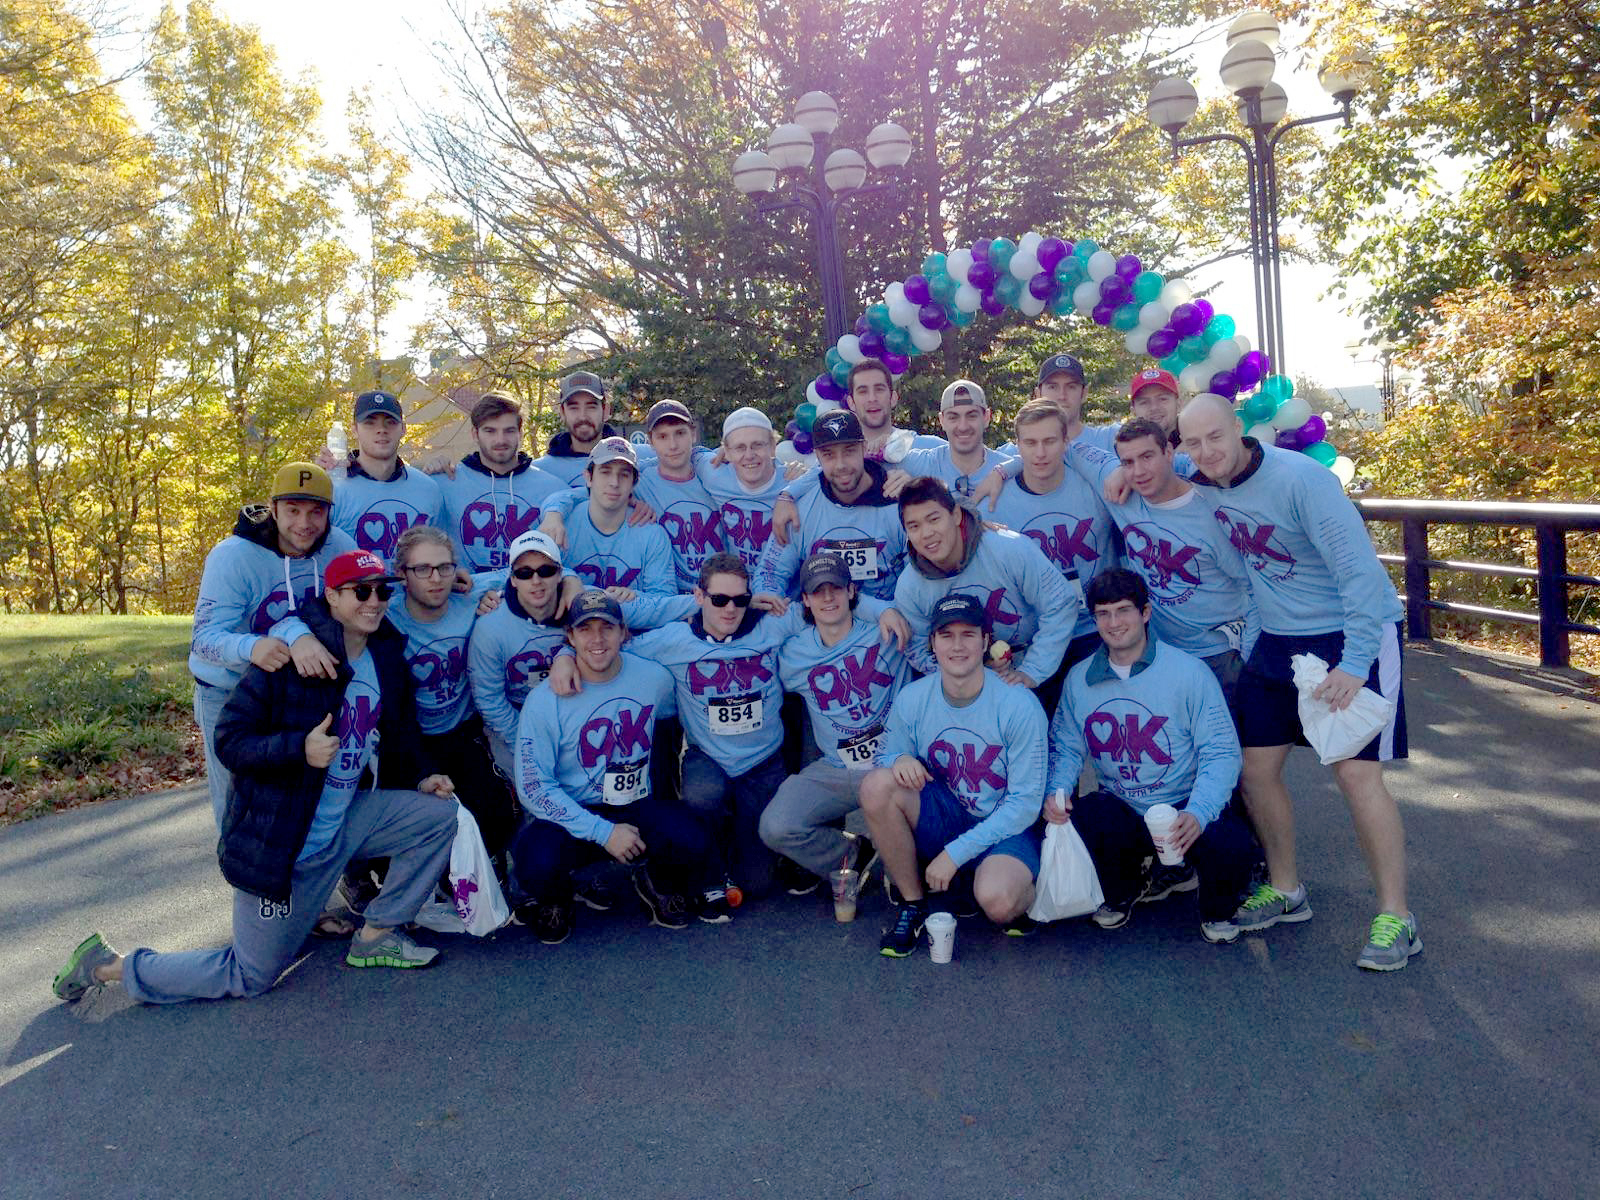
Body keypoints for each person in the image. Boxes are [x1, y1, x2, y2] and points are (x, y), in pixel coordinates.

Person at [52, 551, 459, 1007]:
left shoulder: (384, 652)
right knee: (250, 975)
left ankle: (378, 933)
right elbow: (230, 740)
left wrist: (424, 776)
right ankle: (109, 965)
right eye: (360, 591)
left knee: (437, 815)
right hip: (283, 844)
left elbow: (402, 726)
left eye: (382, 591)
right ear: (331, 595)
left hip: (343, 823)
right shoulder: (289, 661)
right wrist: (298, 750)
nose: (374, 601)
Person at [1178, 392, 1418, 971]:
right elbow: (1133, 464)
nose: (1207, 451)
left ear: (1240, 428)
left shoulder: (1302, 480)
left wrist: (1357, 663)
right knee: (1256, 771)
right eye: (1193, 442)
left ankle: (1397, 917)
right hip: (1276, 642)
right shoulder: (1202, 478)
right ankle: (1286, 889)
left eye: (1216, 436)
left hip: (1348, 634)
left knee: (1355, 774)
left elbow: (1359, 573)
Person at [1044, 569, 1254, 941]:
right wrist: (1058, 790)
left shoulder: (1188, 672)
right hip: (1124, 806)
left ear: (1145, 612)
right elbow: (1066, 745)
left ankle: (1215, 907)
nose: (1113, 623)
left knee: (1231, 840)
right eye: (1103, 613)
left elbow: (1221, 751)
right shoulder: (1079, 679)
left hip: (1183, 805)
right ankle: (1127, 885)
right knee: (1087, 815)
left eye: (1123, 610)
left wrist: (1199, 812)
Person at [511, 589, 715, 943]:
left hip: (634, 803)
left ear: (624, 632)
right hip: (574, 812)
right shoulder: (544, 701)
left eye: (606, 627)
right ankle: (557, 898)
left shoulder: (654, 678)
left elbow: (672, 719)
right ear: (570, 637)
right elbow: (533, 787)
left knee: (692, 839)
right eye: (585, 629)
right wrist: (603, 832)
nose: (597, 639)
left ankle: (654, 879)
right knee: (535, 860)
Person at [860, 593, 1048, 956]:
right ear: (932, 643)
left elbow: (1025, 804)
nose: (957, 645)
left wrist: (955, 854)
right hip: (948, 814)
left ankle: (1010, 881)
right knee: (877, 786)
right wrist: (899, 759)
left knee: (999, 903)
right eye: (946, 635)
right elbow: (886, 754)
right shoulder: (913, 697)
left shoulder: (1019, 705)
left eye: (968, 634)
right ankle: (913, 903)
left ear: (986, 641)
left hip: (1003, 826)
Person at [190, 462, 358, 827]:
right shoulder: (232, 556)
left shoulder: (339, 547)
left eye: (316, 512)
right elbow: (203, 640)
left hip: (299, 691)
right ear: (274, 508)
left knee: (295, 802)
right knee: (238, 806)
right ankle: (242, 883)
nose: (305, 523)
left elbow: (364, 603)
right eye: (293, 510)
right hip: (229, 691)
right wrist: (252, 647)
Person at [1065, 418, 1258, 701]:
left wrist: (1250, 662)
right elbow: (1063, 447)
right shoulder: (1122, 492)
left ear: (1169, 453)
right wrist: (1003, 469)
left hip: (1218, 656)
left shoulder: (1213, 514)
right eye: (1128, 462)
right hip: (1158, 653)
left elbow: (1255, 589)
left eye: (1147, 457)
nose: (1139, 471)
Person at [760, 553, 911, 894]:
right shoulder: (793, 654)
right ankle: (855, 853)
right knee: (776, 825)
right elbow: (750, 639)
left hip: (897, 763)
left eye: (836, 589)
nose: (827, 598)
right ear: (805, 600)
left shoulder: (886, 630)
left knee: (911, 873)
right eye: (817, 591)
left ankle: (906, 865)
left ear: (851, 591)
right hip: (838, 767)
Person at [893, 476, 1078, 712]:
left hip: (1037, 669)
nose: (926, 533)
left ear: (957, 515)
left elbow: (1060, 603)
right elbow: (918, 649)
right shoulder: (909, 587)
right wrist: (965, 680)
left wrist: (1032, 671)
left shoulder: (1009, 549)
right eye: (914, 526)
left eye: (934, 519)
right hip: (967, 691)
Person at [388, 526, 518, 859]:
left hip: (461, 731)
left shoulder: (470, 596)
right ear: (402, 573)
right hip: (408, 740)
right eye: (423, 569)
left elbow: (529, 571)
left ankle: (481, 880)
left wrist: (572, 584)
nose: (436, 579)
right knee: (418, 823)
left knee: (497, 810)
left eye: (444, 567)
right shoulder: (385, 615)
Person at [986, 400, 1123, 679]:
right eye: (1030, 442)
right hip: (1038, 638)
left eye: (1049, 441)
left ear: (1066, 441)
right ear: (1017, 446)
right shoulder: (995, 503)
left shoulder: (1094, 486)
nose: (1040, 453)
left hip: (1098, 631)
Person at [754, 409, 908, 603]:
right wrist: (769, 598)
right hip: (820, 624)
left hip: (888, 622)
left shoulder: (897, 499)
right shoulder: (798, 508)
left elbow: (921, 576)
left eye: (849, 451)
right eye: (829, 455)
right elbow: (771, 571)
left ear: (863, 448)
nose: (840, 465)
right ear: (817, 456)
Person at [468, 530, 575, 776]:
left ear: (560, 574)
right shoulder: (489, 628)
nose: (536, 581)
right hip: (514, 716)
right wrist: (529, 744)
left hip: (571, 711)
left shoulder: (579, 605)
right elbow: (490, 701)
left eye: (545, 571)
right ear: (512, 579)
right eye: (525, 573)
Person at [436, 392, 566, 572]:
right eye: (490, 431)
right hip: (467, 596)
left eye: (509, 431)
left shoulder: (553, 488)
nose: (500, 440)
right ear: (475, 433)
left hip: (531, 595)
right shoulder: (445, 482)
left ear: (520, 433)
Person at [328, 390, 446, 564]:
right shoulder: (333, 489)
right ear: (354, 430)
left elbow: (441, 556)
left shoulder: (428, 489)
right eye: (370, 423)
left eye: (390, 422)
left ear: (403, 429)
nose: (381, 430)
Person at [702, 406, 813, 574]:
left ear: (773, 446)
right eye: (740, 447)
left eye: (757, 445)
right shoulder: (713, 473)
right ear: (727, 452)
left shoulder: (794, 481)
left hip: (785, 594)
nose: (749, 454)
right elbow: (683, 454)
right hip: (737, 592)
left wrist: (805, 478)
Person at [889, 379, 1012, 499]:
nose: (963, 426)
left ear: (986, 417)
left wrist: (1006, 470)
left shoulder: (1008, 470)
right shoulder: (921, 464)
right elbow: (873, 471)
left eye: (972, 416)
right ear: (942, 420)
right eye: (953, 417)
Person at [530, 370, 657, 486]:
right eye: (574, 408)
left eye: (591, 407)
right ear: (562, 413)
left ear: (605, 410)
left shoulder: (645, 457)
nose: (583, 416)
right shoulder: (540, 472)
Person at [844, 357, 944, 460]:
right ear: (851, 403)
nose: (872, 398)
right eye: (863, 391)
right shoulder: (840, 461)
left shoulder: (932, 449)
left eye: (879, 389)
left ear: (893, 398)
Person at [1129, 367, 1182, 443]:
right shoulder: (1125, 449)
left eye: (1162, 399)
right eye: (1144, 402)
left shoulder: (1199, 443)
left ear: (1178, 403)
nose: (1154, 407)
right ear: (1133, 411)